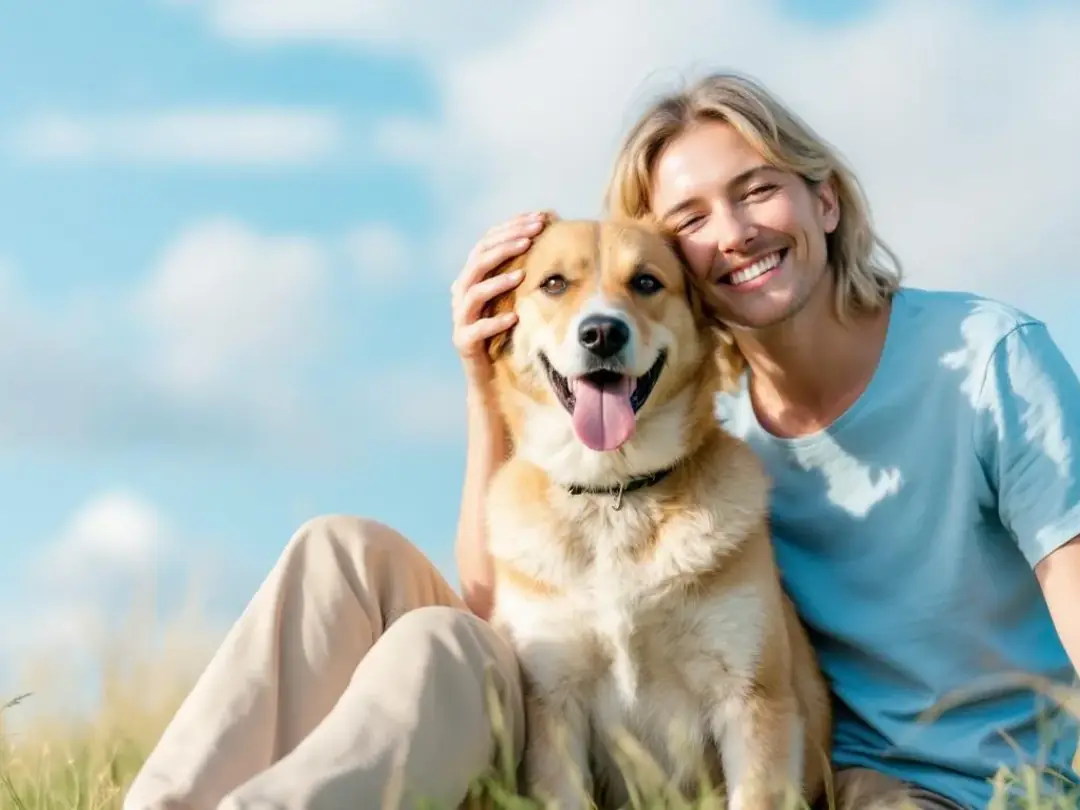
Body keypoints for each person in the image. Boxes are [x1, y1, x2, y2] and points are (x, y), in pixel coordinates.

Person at [123, 72, 1080, 810]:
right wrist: (481, 381)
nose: (735, 232)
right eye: (693, 219)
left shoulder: (978, 359)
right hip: (568, 658)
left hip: (921, 780)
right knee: (342, 551)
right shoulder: (703, 406)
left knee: (451, 654)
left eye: (759, 191)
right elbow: (492, 614)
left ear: (824, 200)